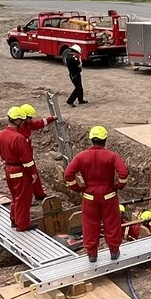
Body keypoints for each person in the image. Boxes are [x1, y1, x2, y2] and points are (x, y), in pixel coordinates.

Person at [63, 126, 129, 263]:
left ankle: (92, 255)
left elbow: (68, 174)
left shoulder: (81, 156)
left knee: (90, 225)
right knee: (112, 224)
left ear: (91, 140)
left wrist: (78, 188)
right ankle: (114, 252)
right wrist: (118, 186)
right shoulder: (111, 156)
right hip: (109, 196)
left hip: (89, 197)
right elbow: (123, 173)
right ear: (105, 140)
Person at [0, 108, 36, 231]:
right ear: (18, 120)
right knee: (23, 198)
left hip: (9, 169)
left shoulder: (1, 134)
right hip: (20, 170)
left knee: (15, 196)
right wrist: (33, 173)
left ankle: (14, 219)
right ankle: (23, 224)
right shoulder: (18, 138)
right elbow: (27, 159)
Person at [18, 103, 56, 201]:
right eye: (29, 117)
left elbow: (36, 124)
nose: (30, 119)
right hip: (22, 159)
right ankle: (27, 198)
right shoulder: (17, 131)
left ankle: (39, 194)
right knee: (26, 179)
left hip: (28, 157)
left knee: (34, 176)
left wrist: (50, 119)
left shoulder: (26, 124)